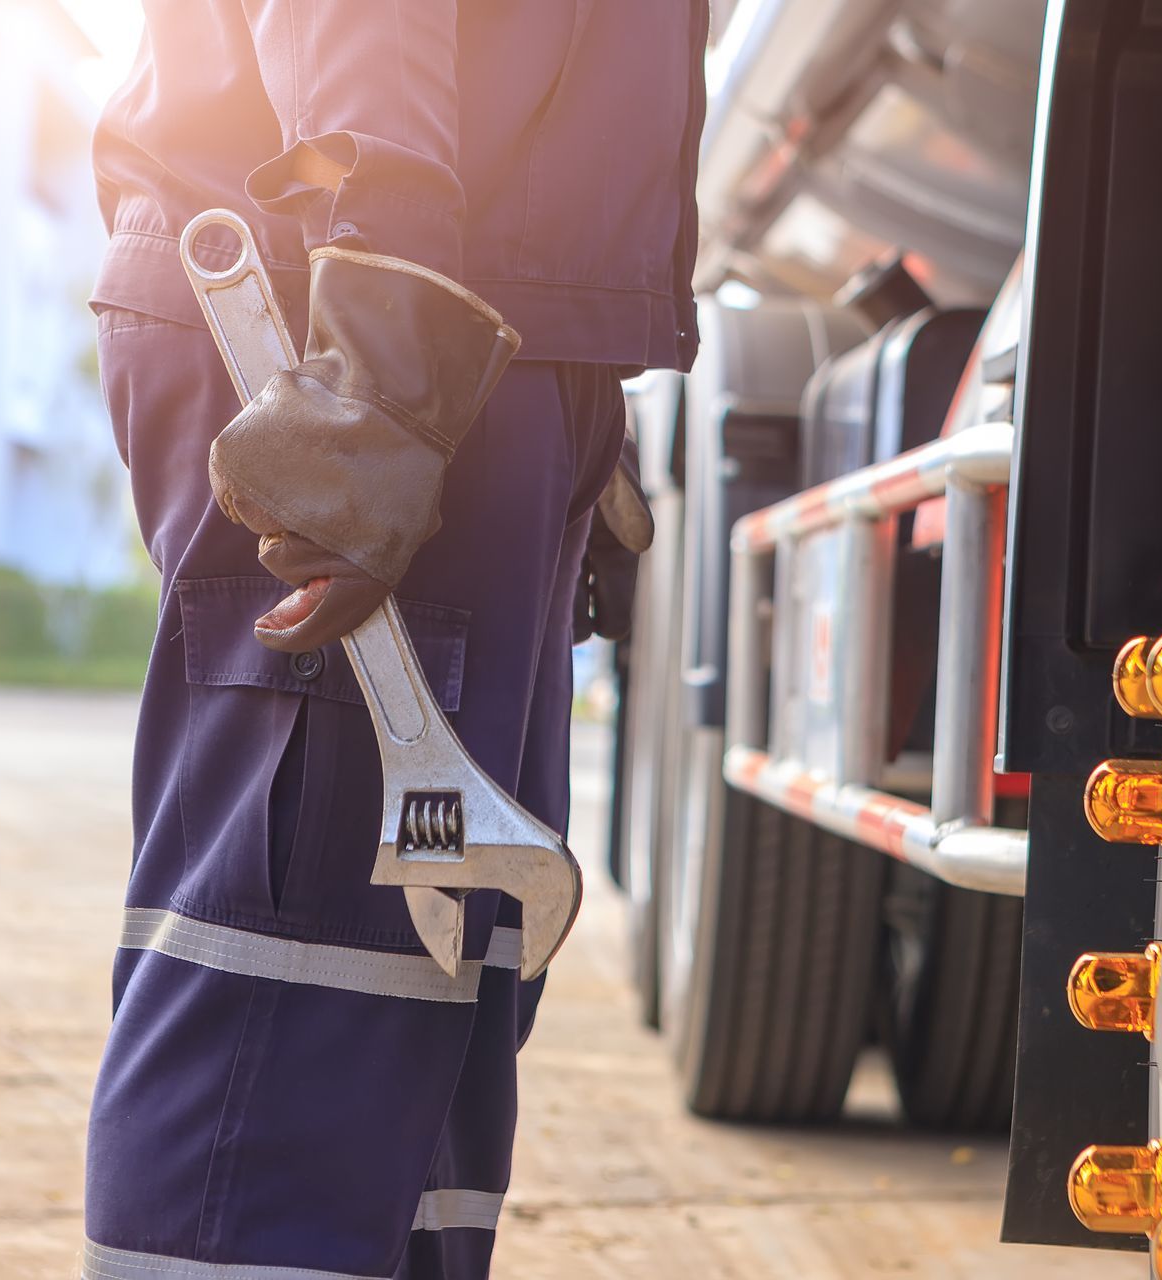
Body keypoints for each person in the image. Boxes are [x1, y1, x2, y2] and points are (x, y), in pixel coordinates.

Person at [80, 4, 703, 1277]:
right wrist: (384, 348)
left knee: (436, 974)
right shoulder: (386, 307)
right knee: (299, 973)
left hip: (461, 315)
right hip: (345, 304)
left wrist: (577, 391)